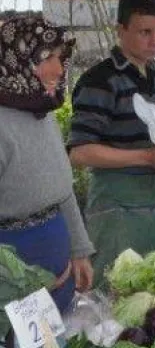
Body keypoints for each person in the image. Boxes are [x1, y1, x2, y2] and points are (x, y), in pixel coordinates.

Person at [68, 0, 155, 286]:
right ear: (121, 30)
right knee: (111, 292)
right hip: (115, 206)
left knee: (148, 291)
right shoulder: (100, 81)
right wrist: (146, 157)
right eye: (144, 32)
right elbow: (80, 153)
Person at [0, 17, 94, 312]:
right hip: (12, 274)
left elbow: (62, 188)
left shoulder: (43, 111)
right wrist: (16, 279)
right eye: (47, 58)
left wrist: (79, 250)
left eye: (61, 58)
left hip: (56, 259)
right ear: (16, 59)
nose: (58, 68)